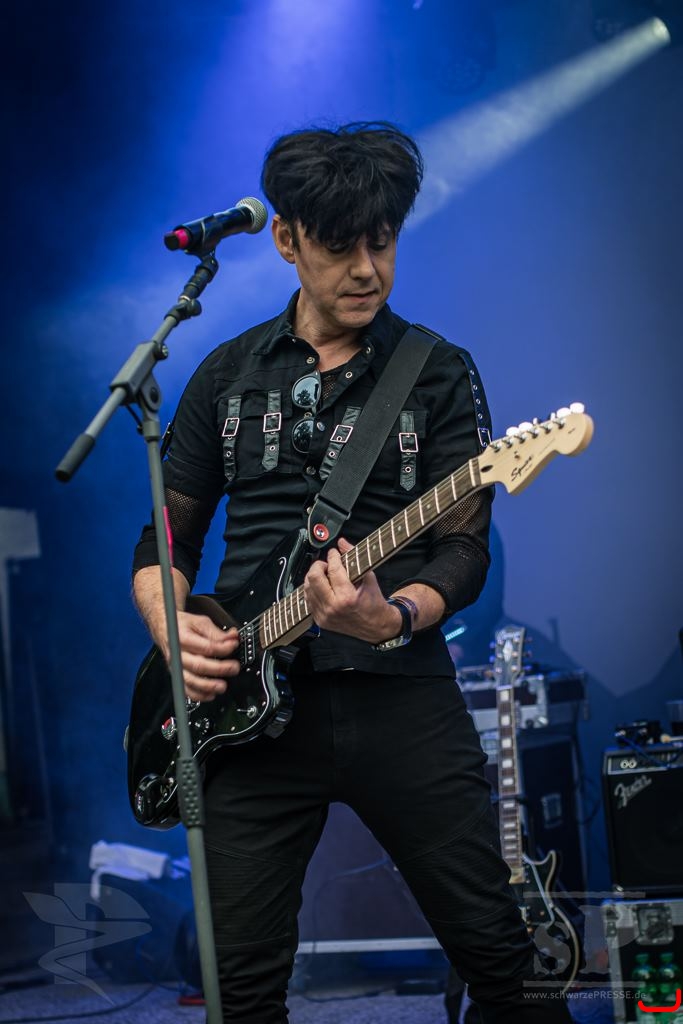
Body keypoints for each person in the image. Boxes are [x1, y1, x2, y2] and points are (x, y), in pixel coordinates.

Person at [131, 122, 572, 1023]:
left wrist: (394, 616)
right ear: (286, 239)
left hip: (398, 696)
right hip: (244, 711)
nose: (367, 269)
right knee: (239, 990)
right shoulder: (225, 373)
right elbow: (166, 539)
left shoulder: (435, 371)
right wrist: (168, 623)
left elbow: (463, 551)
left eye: (383, 241)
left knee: (504, 962)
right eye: (340, 247)